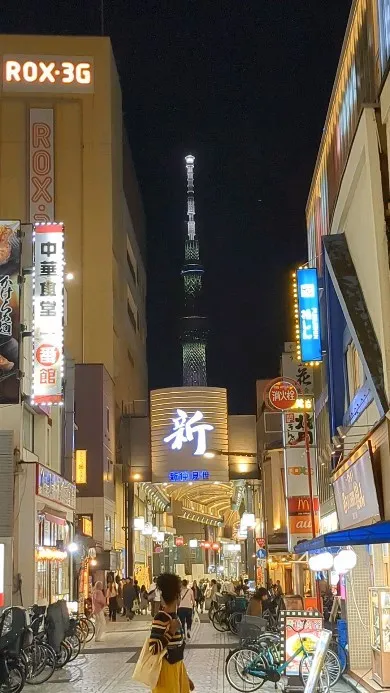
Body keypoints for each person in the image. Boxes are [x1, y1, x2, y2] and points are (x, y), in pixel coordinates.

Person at [149, 573, 194, 693]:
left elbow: (176, 650)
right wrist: (171, 632)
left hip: (177, 670)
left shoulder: (175, 617)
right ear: (177, 597)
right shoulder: (161, 617)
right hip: (165, 673)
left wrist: (186, 677)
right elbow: (153, 648)